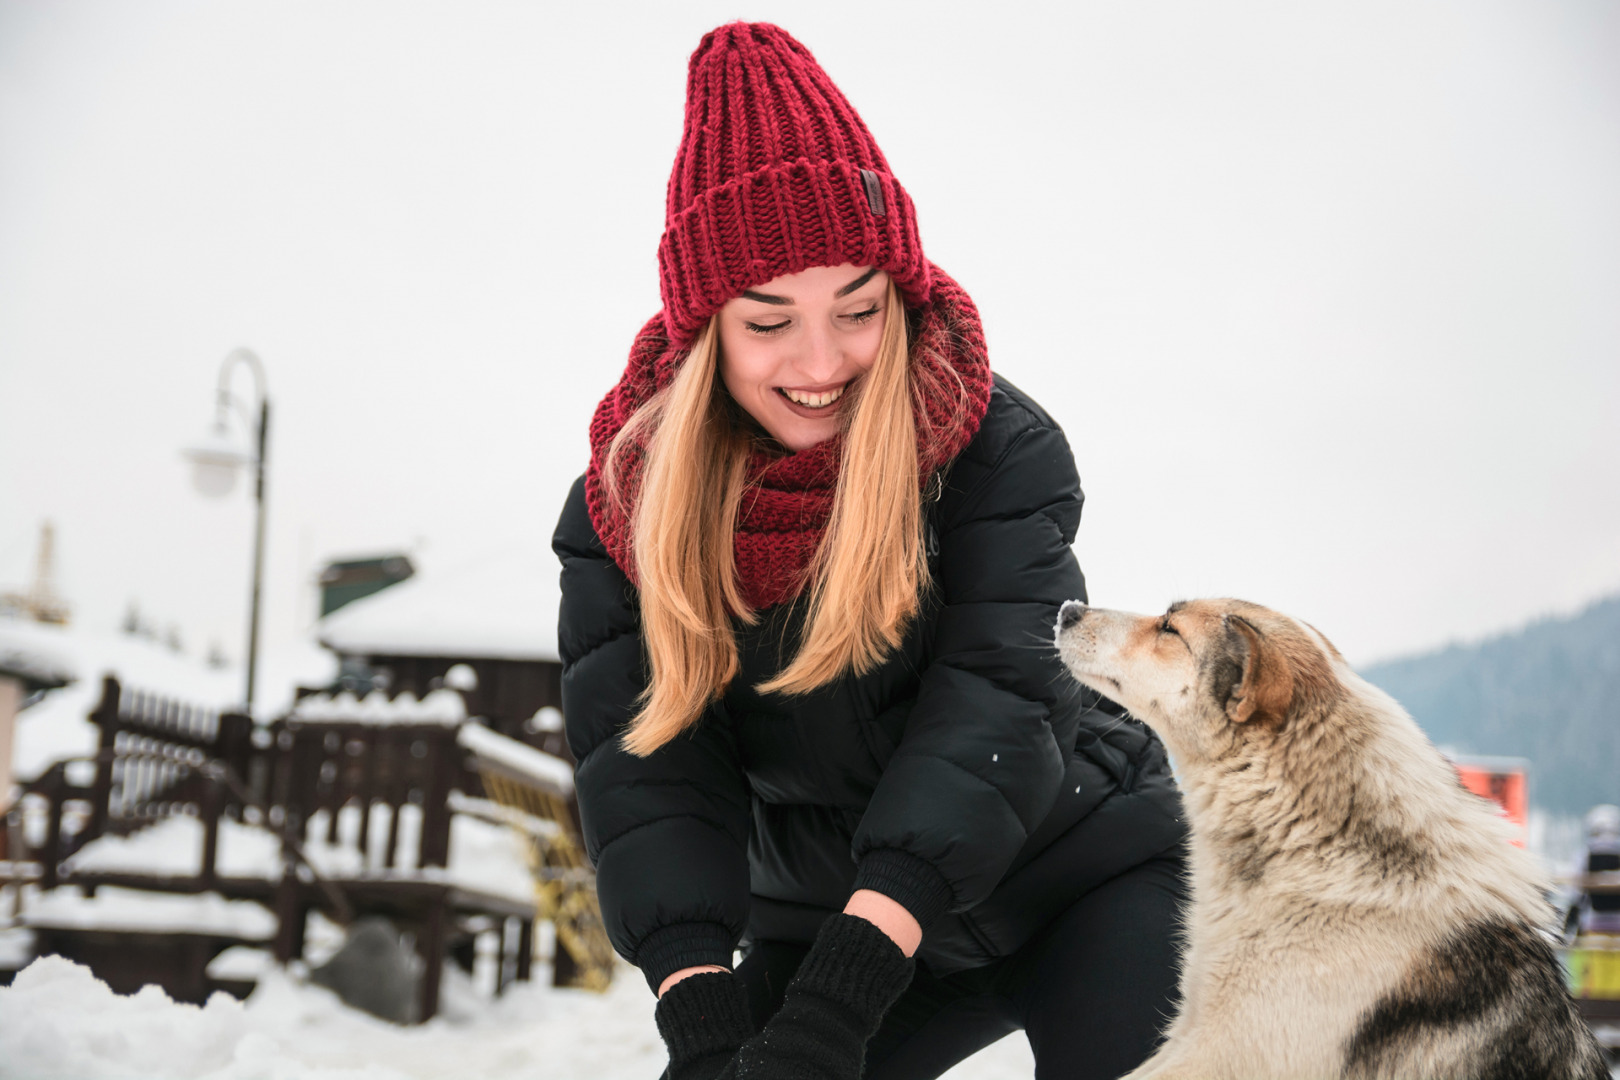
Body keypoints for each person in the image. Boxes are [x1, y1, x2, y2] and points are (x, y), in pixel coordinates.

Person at [553, 22, 1187, 1080]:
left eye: (858, 309)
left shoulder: (992, 450)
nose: (822, 362)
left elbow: (996, 702)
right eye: (769, 323)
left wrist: (836, 1009)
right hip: (816, 919)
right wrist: (708, 1025)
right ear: (703, 330)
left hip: (1081, 874)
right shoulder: (623, 507)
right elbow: (646, 771)